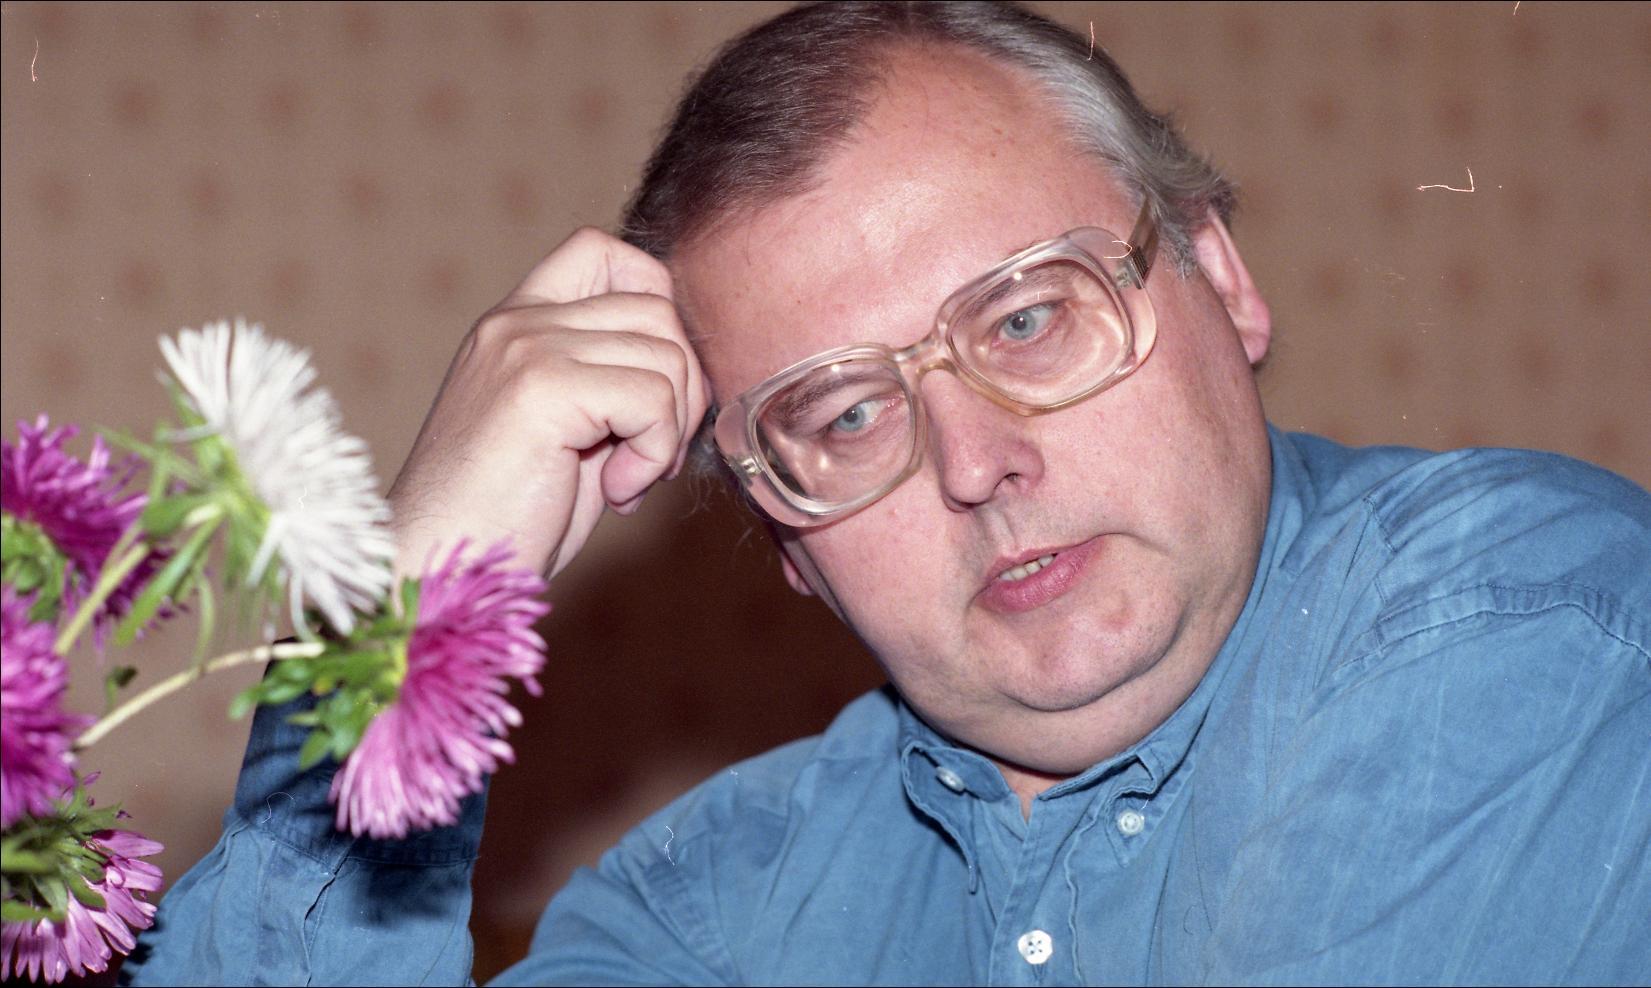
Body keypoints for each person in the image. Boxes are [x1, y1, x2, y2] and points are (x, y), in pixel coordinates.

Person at [125, 3, 1649, 985]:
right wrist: (397, 621)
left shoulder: (1516, 625)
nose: (976, 464)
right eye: (845, 415)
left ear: (1220, 279)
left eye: (1028, 318)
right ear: (785, 538)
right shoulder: (706, 913)